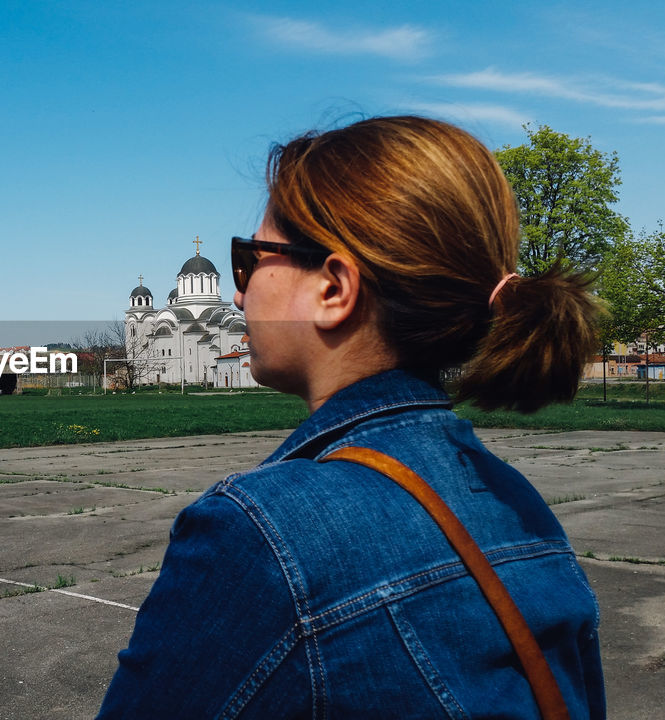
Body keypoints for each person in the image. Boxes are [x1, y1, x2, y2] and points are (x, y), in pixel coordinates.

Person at [97, 116, 605, 718]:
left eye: (251, 259)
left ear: (334, 289)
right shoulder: (513, 500)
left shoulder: (261, 535)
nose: (238, 294)